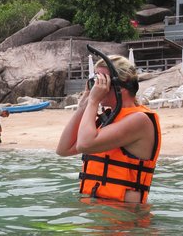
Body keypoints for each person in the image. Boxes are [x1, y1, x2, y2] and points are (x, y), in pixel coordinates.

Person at [56, 55, 161, 204]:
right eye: (95, 81)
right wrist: (83, 105)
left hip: (126, 220)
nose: (97, 87)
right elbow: (63, 149)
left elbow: (84, 144)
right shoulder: (109, 118)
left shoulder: (139, 120)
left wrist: (93, 101)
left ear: (121, 86)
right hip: (100, 214)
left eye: (102, 81)